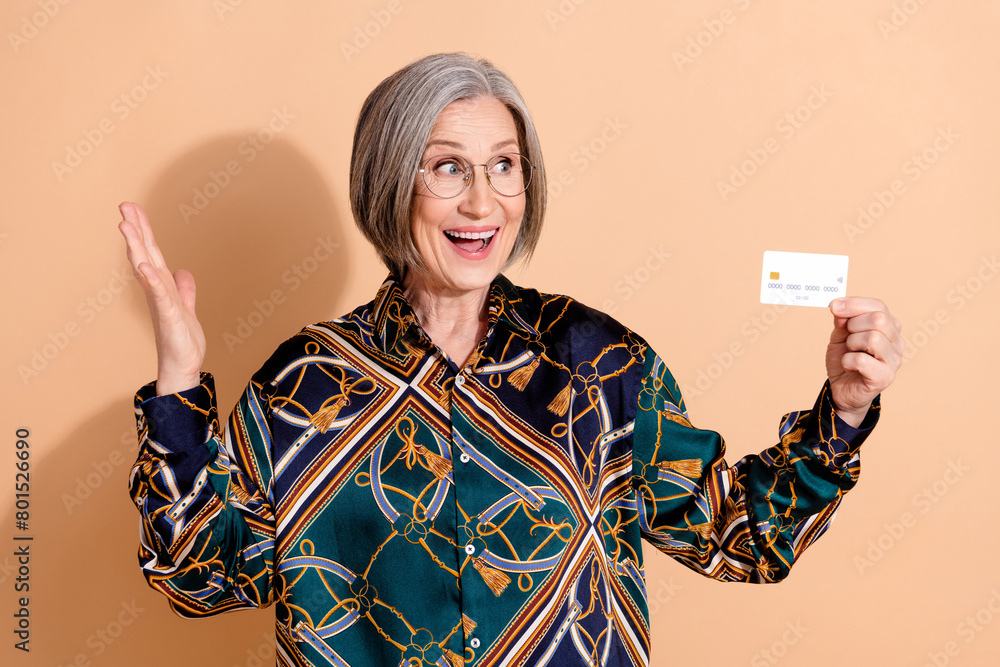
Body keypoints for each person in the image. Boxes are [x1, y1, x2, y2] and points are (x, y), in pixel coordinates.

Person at [120, 52, 902, 667]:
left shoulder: (599, 363)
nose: (482, 203)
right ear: (391, 182)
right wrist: (179, 384)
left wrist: (845, 410)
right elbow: (201, 576)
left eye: (504, 165)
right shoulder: (305, 384)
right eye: (447, 166)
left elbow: (738, 535)